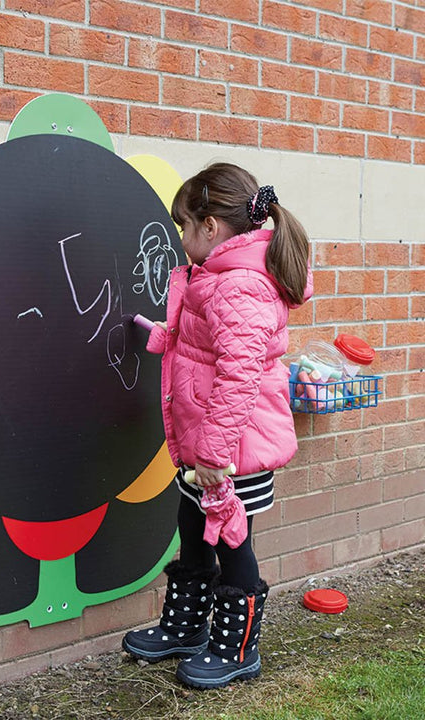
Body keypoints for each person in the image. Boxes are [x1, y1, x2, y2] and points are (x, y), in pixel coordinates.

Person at [122, 162, 312, 689]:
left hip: (232, 450)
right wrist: (165, 338)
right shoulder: (218, 279)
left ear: (211, 227)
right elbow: (207, 349)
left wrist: (211, 454)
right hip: (208, 446)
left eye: (184, 226)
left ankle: (237, 648)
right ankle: (186, 628)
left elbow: (238, 374)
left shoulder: (239, 286)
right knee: (193, 530)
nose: (181, 238)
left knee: (232, 541)